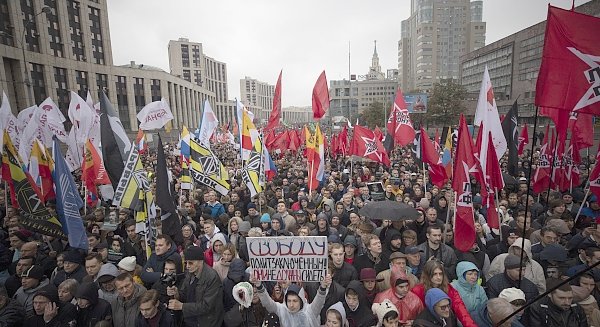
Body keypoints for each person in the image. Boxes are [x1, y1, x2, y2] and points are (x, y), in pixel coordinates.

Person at [166, 246, 224, 327]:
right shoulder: (189, 273)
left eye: (191, 263)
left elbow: (206, 306)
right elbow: (184, 294)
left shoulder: (212, 277)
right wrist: (176, 294)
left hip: (206, 322)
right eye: (186, 263)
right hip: (190, 319)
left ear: (201, 261)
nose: (187, 266)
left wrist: (182, 306)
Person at [410, 260, 477, 327]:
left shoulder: (449, 289)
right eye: (434, 274)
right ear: (427, 275)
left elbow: (462, 311)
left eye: (440, 274)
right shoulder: (417, 291)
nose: (439, 277)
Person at [252, 273, 332, 327]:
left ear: (301, 301)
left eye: (295, 301)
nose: (291, 304)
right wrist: (259, 286)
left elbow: (319, 301)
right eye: (289, 301)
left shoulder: (310, 311)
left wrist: (323, 287)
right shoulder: (282, 310)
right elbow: (267, 303)